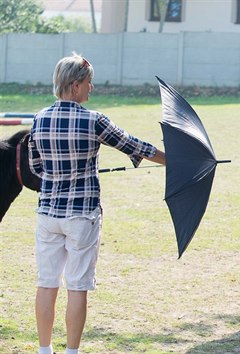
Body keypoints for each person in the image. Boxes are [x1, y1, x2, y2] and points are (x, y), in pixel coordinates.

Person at [28, 53, 166, 354]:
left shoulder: (39, 118)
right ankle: (72, 351)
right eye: (89, 84)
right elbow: (133, 145)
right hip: (82, 216)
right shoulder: (93, 120)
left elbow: (36, 167)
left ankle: (44, 349)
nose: (92, 89)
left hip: (48, 214)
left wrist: (59, 176)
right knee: (77, 285)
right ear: (76, 85)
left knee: (47, 282)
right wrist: (173, 160)